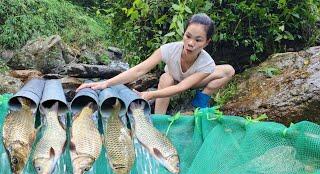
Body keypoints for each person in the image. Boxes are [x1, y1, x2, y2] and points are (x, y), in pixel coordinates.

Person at [76, 13, 235, 114]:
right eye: (188, 36)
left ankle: (201, 101)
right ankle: (159, 119)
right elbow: (139, 70)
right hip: (172, 78)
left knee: (228, 70)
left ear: (207, 42)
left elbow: (181, 88)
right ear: (184, 33)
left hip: (192, 82)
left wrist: (149, 94)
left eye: (198, 40)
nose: (191, 43)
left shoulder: (206, 63)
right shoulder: (169, 49)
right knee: (166, 79)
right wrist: (105, 84)